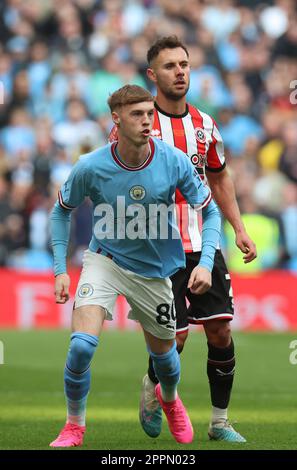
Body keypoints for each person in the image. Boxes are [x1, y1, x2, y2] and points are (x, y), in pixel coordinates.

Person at [49, 85, 221, 447]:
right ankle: (74, 426)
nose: (146, 121)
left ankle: (170, 400)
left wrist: (205, 262)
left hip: (154, 271)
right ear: (116, 118)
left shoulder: (172, 160)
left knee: (166, 361)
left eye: (149, 114)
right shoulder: (90, 166)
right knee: (81, 346)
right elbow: (61, 210)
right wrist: (60, 269)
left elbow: (210, 208)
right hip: (104, 261)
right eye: (137, 114)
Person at [109, 36, 257, 443]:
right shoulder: (137, 122)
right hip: (157, 246)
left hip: (204, 242)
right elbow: (114, 175)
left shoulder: (205, 124)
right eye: (170, 66)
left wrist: (239, 227)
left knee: (220, 331)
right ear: (152, 75)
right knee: (175, 337)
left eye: (185, 64)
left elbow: (219, 175)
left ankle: (220, 421)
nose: (180, 72)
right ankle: (154, 391)